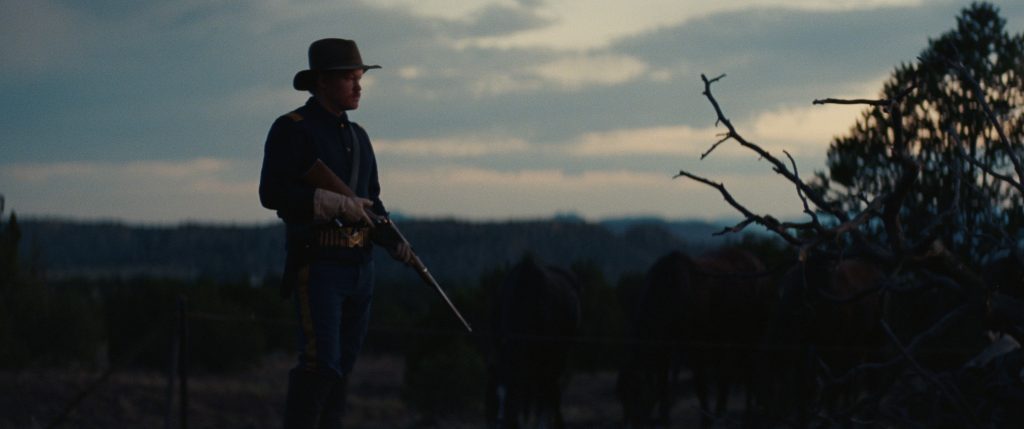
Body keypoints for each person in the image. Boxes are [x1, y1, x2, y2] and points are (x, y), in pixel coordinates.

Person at [259, 38, 411, 429]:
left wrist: (393, 238)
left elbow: (372, 201)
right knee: (320, 366)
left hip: (361, 267)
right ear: (323, 82)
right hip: (320, 264)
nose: (358, 87)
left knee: (341, 369)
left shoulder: (358, 136)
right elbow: (272, 194)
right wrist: (332, 203)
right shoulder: (292, 129)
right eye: (349, 78)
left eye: (360, 78)